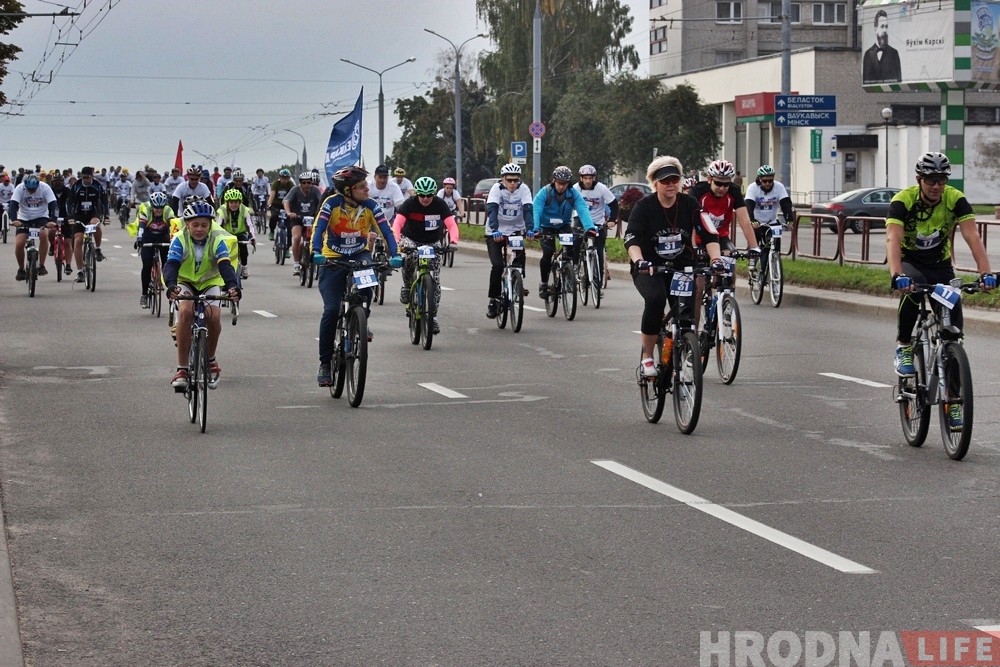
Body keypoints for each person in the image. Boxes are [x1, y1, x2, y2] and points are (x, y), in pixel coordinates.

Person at [887, 152, 995, 393]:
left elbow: (972, 235)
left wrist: (986, 273)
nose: (936, 186)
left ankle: (953, 403)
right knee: (913, 287)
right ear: (919, 179)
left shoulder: (955, 199)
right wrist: (896, 275)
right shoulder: (903, 200)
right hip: (909, 261)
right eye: (931, 180)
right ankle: (904, 346)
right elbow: (893, 238)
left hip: (940, 264)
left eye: (942, 180)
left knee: (954, 333)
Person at [624, 156, 725, 378]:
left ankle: (680, 352)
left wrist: (716, 260)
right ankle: (648, 357)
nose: (670, 185)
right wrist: (639, 260)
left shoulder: (690, 204)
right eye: (665, 181)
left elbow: (709, 233)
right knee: (656, 299)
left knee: (686, 316)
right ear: (655, 183)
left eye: (674, 180)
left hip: (682, 267)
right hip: (650, 268)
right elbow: (631, 238)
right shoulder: (644, 207)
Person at [312, 165, 400, 386]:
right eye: (361, 187)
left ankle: (361, 318)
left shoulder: (370, 206)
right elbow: (319, 228)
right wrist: (315, 252)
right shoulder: (331, 204)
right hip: (332, 259)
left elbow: (385, 230)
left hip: (360, 254)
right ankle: (324, 364)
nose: (366, 191)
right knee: (331, 310)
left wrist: (395, 253)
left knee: (368, 279)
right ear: (348, 190)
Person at [164, 198, 241, 390]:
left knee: (214, 317)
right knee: (185, 313)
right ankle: (182, 369)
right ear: (187, 225)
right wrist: (172, 285)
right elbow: (171, 265)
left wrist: (232, 286)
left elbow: (225, 265)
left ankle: (211, 360)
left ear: (210, 225)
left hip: (210, 282)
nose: (199, 229)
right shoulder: (179, 239)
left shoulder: (217, 239)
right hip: (184, 281)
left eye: (204, 225)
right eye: (195, 225)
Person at [392, 176, 460, 334]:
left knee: (435, 281)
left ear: (434, 194)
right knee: (408, 258)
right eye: (421, 195)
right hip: (412, 239)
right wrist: (396, 242)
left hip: (432, 242)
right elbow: (397, 224)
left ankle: (433, 317)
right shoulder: (409, 204)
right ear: (416, 194)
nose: (425, 198)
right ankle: (407, 286)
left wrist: (453, 242)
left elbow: (451, 224)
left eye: (429, 195)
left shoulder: (440, 204)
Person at [530, 165, 597, 298]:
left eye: (564, 184)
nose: (561, 186)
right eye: (559, 183)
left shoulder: (573, 194)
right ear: (554, 181)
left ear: (568, 183)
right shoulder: (545, 192)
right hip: (546, 226)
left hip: (563, 225)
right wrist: (536, 229)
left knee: (571, 249)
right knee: (548, 253)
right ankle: (544, 283)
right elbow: (536, 210)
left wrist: (590, 227)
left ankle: (567, 274)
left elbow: (582, 209)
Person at [485, 163, 533, 319]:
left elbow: (527, 210)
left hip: (516, 229)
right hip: (496, 231)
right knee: (498, 266)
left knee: (520, 256)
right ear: (503, 179)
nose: (513, 184)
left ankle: (519, 282)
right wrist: (494, 229)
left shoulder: (524, 189)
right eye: (509, 180)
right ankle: (493, 300)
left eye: (515, 180)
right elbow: (492, 209)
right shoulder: (496, 189)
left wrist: (530, 229)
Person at [690, 160, 760, 255]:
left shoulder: (734, 191)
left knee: (731, 256)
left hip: (721, 237)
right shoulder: (698, 191)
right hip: (698, 238)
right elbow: (691, 221)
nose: (722, 188)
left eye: (726, 184)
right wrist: (693, 245)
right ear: (709, 179)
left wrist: (754, 247)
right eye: (718, 183)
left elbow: (745, 221)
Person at [573, 164, 618, 284]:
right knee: (576, 241)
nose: (588, 181)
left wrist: (612, 220)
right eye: (585, 178)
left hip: (598, 222)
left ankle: (597, 280)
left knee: (599, 251)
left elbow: (614, 204)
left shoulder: (601, 188)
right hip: (580, 220)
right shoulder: (575, 189)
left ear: (594, 178)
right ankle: (576, 265)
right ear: (581, 178)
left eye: (590, 178)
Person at [9, 174, 57, 280]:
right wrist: (14, 220)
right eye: (29, 189)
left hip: (41, 217)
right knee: (19, 243)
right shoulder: (20, 188)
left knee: (44, 235)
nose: (31, 191)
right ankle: (21, 269)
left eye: (33, 189)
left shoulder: (45, 188)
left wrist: (53, 220)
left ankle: (41, 265)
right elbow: (13, 205)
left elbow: (53, 205)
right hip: (24, 218)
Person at [135, 191, 176, 308]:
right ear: (151, 206)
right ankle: (144, 294)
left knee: (168, 265)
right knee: (147, 265)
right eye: (156, 208)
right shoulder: (146, 211)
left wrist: (175, 239)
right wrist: (139, 239)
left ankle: (171, 292)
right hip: (148, 237)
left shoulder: (168, 211)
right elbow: (141, 228)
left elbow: (174, 227)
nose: (158, 210)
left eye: (161, 208)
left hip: (163, 236)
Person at [67, 166, 108, 280]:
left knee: (96, 224)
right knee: (78, 240)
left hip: (93, 212)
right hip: (79, 214)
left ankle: (98, 249)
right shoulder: (76, 186)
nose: (86, 180)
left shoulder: (97, 185)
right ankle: (80, 271)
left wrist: (107, 215)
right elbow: (69, 203)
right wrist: (70, 217)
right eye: (84, 177)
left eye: (88, 177)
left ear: (92, 176)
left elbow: (104, 201)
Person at [283, 171, 323, 276]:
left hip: (312, 218)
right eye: (304, 183)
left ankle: (316, 260)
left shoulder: (315, 191)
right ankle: (296, 263)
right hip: (297, 218)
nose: (307, 185)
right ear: (300, 183)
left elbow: (322, 201)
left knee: (317, 237)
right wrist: (289, 213)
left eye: (309, 182)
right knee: (297, 237)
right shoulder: (295, 190)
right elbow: (286, 201)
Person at [744, 165, 795, 248]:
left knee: (776, 246)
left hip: (773, 222)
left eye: (770, 181)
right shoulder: (752, 188)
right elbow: (748, 206)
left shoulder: (779, 187)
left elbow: (786, 204)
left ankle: (775, 257)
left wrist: (789, 220)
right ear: (760, 179)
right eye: (764, 181)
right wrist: (752, 220)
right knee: (755, 248)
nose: (767, 183)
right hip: (757, 222)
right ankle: (752, 260)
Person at [216, 188, 255, 279]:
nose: (234, 205)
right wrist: (218, 237)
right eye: (231, 202)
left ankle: (244, 266)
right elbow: (218, 226)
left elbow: (250, 225)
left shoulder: (244, 210)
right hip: (226, 234)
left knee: (243, 248)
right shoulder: (222, 210)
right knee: (223, 250)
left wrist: (252, 237)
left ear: (240, 202)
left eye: (236, 202)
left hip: (240, 233)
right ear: (227, 203)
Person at [862, 9, 902, 85]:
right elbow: (866, 80)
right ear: (875, 29)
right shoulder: (868, 54)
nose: (885, 30)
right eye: (882, 26)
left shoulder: (894, 54)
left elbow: (898, 81)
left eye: (886, 27)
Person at [267, 168, 294, 240]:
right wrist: (269, 205)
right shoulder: (276, 184)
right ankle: (272, 231)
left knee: (289, 223)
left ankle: (287, 247)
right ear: (280, 178)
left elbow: (293, 196)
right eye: (283, 178)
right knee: (274, 217)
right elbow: (272, 195)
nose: (284, 180)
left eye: (286, 178)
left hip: (286, 205)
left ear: (289, 178)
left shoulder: (291, 184)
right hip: (276, 205)